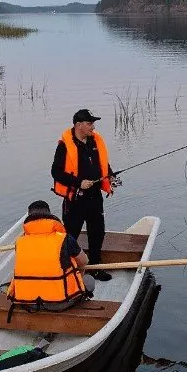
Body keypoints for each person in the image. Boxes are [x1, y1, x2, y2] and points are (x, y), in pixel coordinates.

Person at [51, 108, 115, 281]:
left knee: (97, 232)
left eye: (93, 123)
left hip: (95, 197)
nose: (93, 127)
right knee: (71, 235)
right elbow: (56, 172)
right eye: (89, 123)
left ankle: (95, 267)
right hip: (75, 200)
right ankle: (67, 269)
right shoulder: (64, 146)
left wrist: (111, 176)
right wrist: (79, 182)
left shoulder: (95, 141)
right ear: (78, 125)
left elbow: (104, 165)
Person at [7, 200, 92, 311]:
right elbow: (84, 261)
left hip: (28, 303)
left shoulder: (20, 243)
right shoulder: (65, 239)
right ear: (49, 216)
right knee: (89, 280)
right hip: (62, 302)